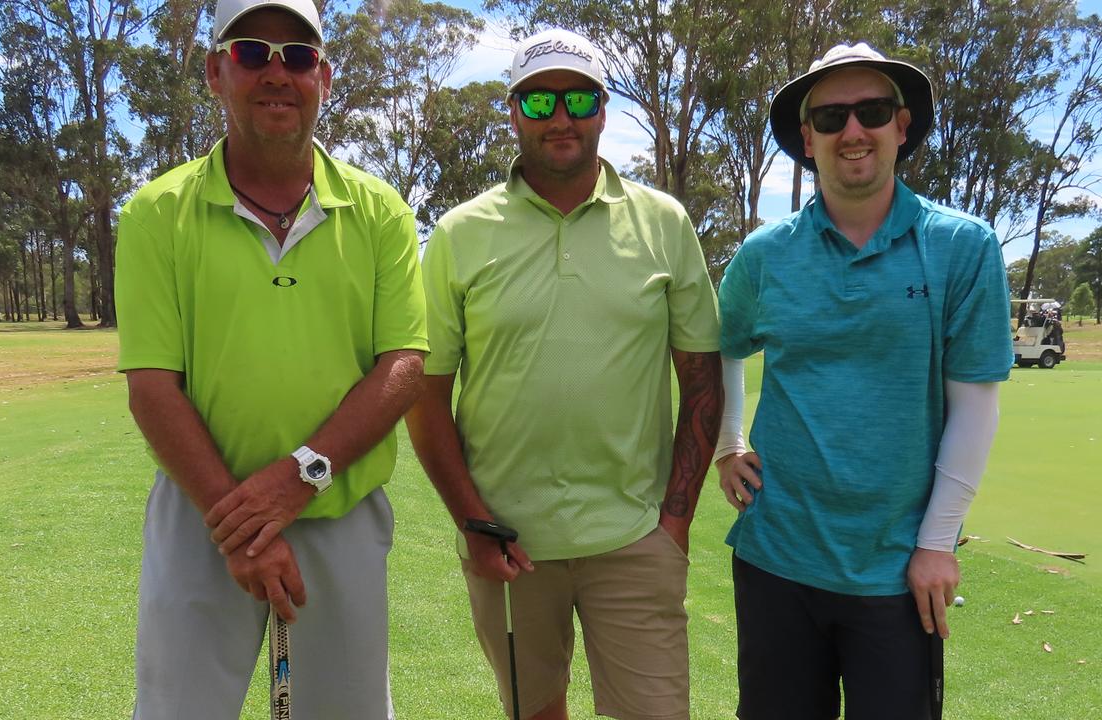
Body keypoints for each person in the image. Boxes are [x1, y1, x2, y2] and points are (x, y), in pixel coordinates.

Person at [115, 0, 428, 715]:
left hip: (336, 509)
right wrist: (245, 526)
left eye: (297, 55)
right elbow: (152, 387)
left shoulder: (380, 211)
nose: (276, 72)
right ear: (215, 71)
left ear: (323, 74)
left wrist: (297, 480)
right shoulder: (156, 212)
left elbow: (402, 366)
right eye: (252, 52)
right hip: (203, 516)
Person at [406, 28, 722, 720]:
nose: (560, 116)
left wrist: (674, 522)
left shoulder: (663, 223)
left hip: (635, 541)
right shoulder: (460, 233)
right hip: (509, 547)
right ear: (513, 111)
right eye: (539, 99)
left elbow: (701, 375)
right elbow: (425, 396)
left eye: (578, 98)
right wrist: (473, 520)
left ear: (604, 109)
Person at [714, 43, 1013, 719]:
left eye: (872, 112)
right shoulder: (765, 255)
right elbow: (721, 348)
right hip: (777, 558)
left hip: (897, 570)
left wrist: (937, 545)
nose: (853, 131)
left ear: (901, 127)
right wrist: (727, 442)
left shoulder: (963, 246)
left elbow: (976, 406)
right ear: (806, 137)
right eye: (830, 116)